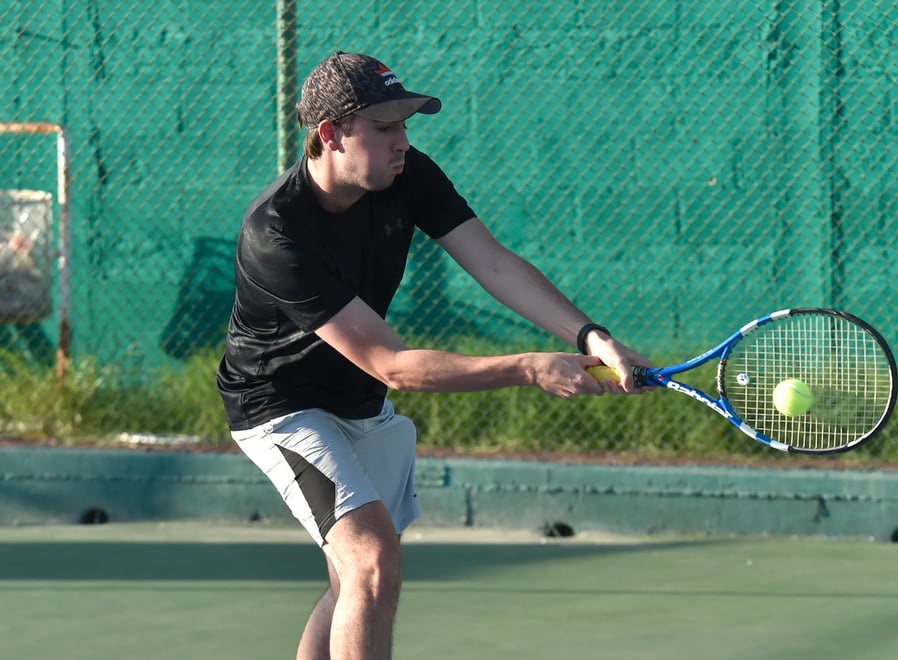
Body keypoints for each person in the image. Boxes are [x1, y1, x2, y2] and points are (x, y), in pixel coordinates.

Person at [216, 50, 651, 660]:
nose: (402, 141)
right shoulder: (276, 234)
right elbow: (393, 365)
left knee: (355, 582)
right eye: (385, 127)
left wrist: (589, 336)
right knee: (371, 562)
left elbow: (494, 262)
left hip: (359, 403)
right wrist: (529, 367)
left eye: (405, 125)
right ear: (330, 134)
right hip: (280, 406)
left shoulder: (407, 174)